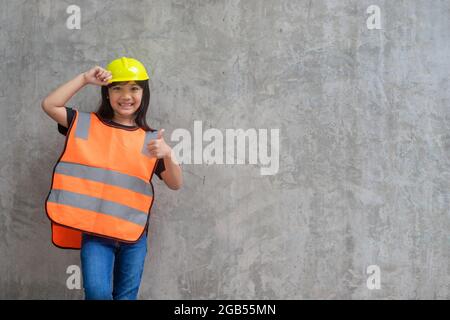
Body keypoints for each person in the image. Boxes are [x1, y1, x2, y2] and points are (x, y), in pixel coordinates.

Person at [41, 57, 182, 300]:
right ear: (107, 93)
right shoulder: (84, 124)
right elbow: (49, 104)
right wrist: (85, 79)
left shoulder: (150, 140)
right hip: (96, 233)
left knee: (125, 297)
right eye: (117, 88)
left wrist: (168, 154)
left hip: (134, 236)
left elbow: (175, 183)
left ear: (143, 94)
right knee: (97, 294)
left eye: (134, 88)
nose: (126, 95)